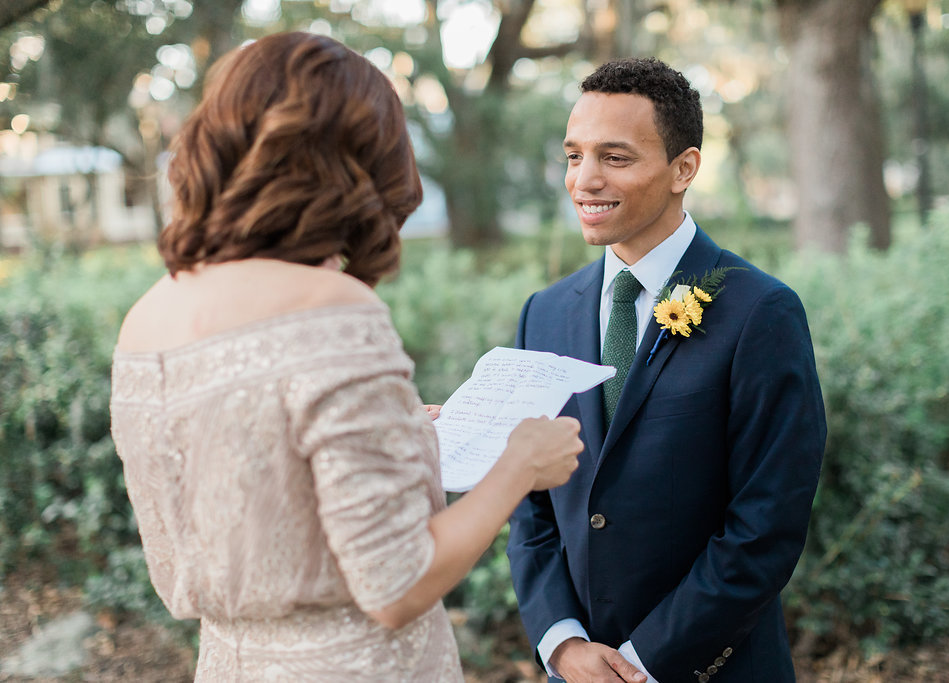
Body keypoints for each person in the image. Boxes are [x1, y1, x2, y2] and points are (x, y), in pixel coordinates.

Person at [109, 32, 583, 681]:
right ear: (355, 160)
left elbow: (268, 486)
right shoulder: (329, 305)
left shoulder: (147, 316)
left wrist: (404, 433)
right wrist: (518, 463)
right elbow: (397, 585)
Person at [506, 57, 827, 683]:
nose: (584, 181)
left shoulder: (761, 312)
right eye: (574, 156)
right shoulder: (542, 315)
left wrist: (641, 663)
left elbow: (766, 524)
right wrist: (563, 644)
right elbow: (532, 506)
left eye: (615, 158)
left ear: (685, 168)